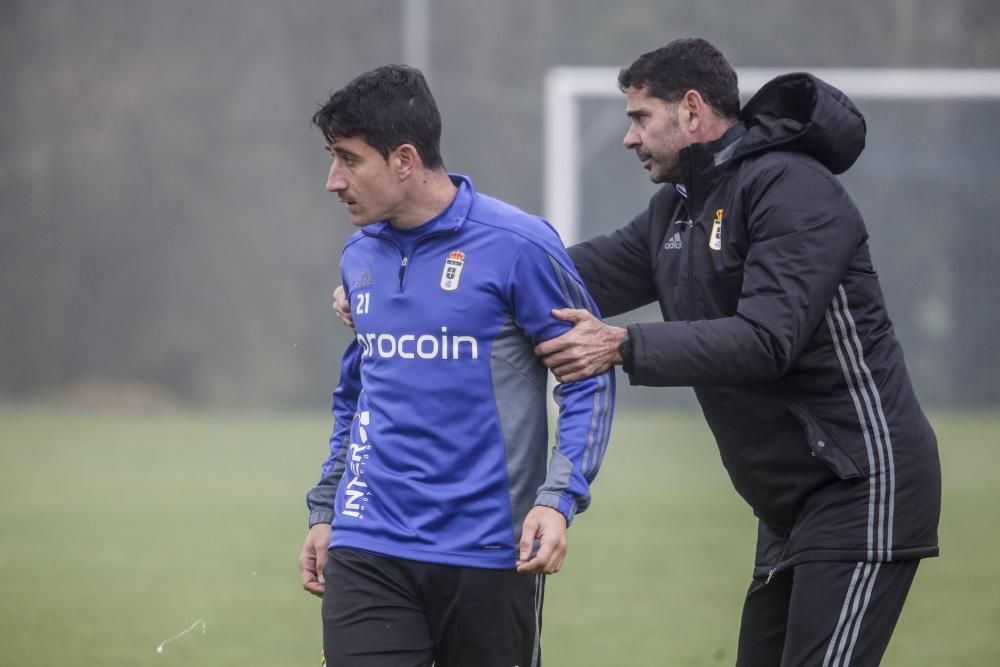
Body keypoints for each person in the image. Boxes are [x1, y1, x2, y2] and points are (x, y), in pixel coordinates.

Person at [533, 38, 942, 666]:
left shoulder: (793, 189)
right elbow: (559, 276)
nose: (629, 138)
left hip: (860, 485)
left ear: (691, 110)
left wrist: (623, 345)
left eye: (640, 118)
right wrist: (417, 284)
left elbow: (766, 339)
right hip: (786, 506)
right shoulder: (675, 210)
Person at [299, 64, 614, 667]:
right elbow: (356, 394)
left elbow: (587, 379)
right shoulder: (359, 255)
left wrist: (557, 498)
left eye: (348, 159)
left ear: (404, 160)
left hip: (489, 551)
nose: (333, 180)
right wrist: (326, 508)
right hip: (369, 543)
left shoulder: (518, 246)